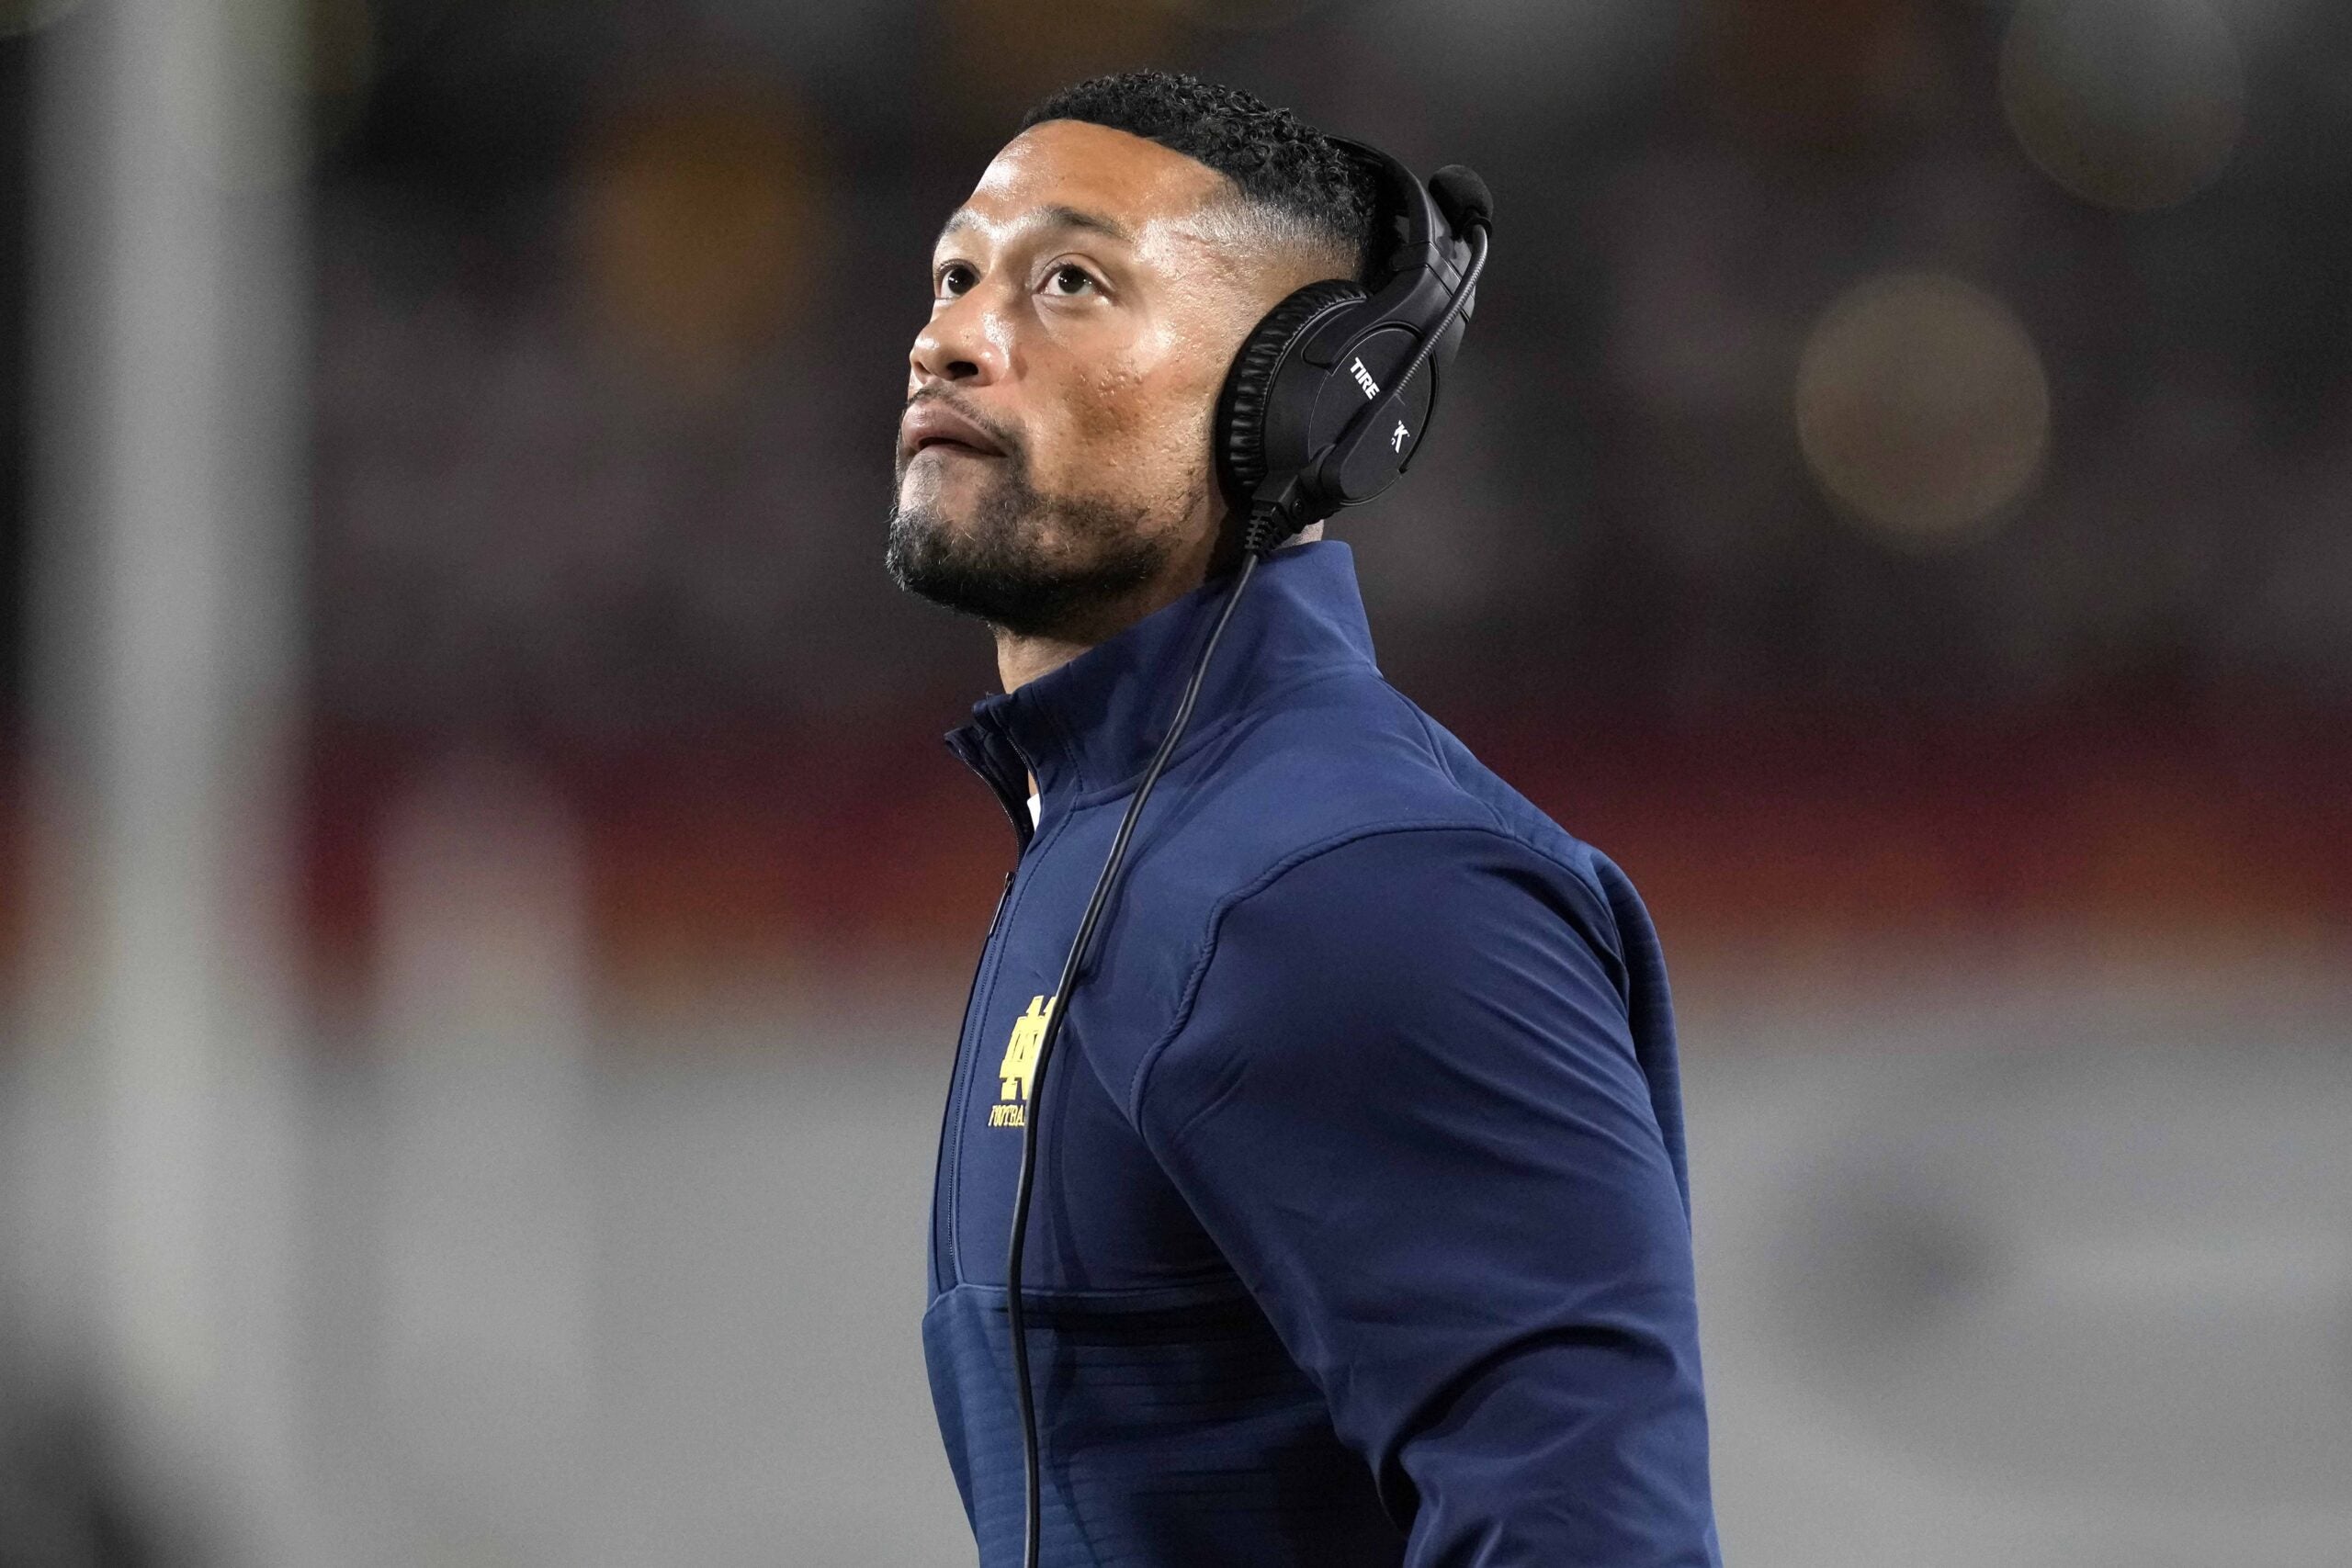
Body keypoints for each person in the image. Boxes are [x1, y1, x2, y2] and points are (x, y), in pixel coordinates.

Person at [888, 69, 1719, 1567]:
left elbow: (1586, 1538)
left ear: (1304, 401)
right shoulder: (1115, 842)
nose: (951, 335)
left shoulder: (1360, 890)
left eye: (1066, 280)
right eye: (956, 275)